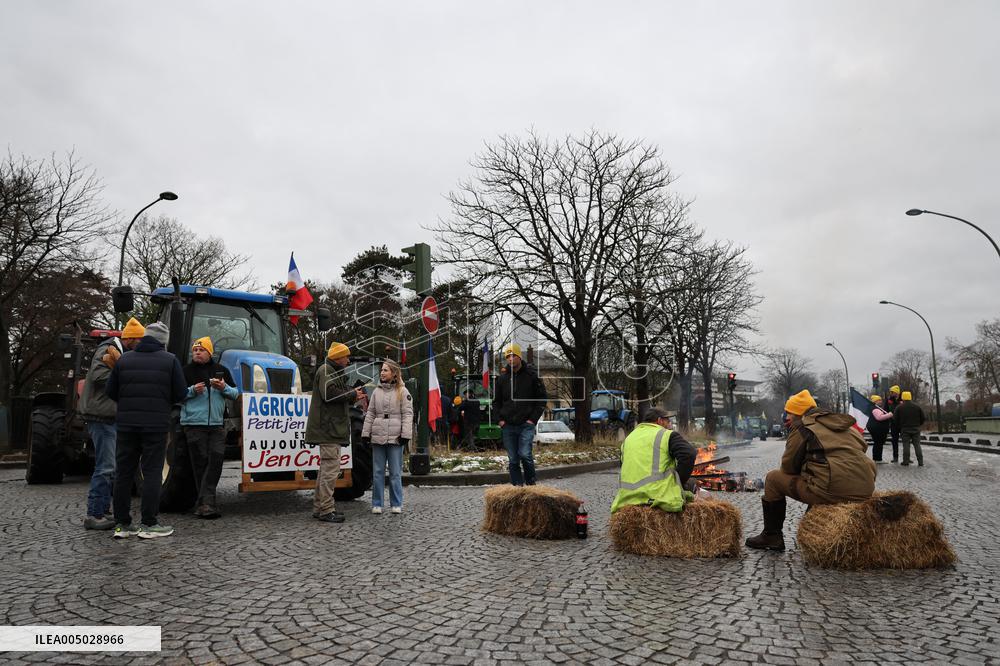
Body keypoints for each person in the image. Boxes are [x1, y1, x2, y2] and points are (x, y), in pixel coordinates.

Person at [745, 389, 876, 552]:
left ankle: (772, 536)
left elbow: (788, 467)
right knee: (819, 473)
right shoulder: (845, 426)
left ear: (798, 413)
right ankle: (811, 518)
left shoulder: (803, 427)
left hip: (832, 490)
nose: (786, 418)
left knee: (772, 479)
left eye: (789, 413)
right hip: (865, 491)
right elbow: (863, 448)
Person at [105, 321, 187, 539]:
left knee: (123, 472)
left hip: (126, 425)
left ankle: (122, 525)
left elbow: (111, 391)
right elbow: (180, 394)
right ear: (164, 341)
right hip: (156, 425)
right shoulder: (170, 361)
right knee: (151, 472)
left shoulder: (124, 360)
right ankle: (148, 524)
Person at [78, 317, 145, 530]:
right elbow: (98, 376)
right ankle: (94, 514)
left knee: (111, 467)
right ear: (131, 340)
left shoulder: (118, 351)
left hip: (108, 415)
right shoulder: (107, 349)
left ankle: (103, 511)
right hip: (102, 416)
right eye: (140, 341)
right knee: (106, 467)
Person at [180, 337, 238, 519]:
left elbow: (236, 393)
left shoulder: (221, 370)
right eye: (195, 350)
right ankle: (207, 504)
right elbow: (176, 395)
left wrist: (224, 387)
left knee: (216, 463)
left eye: (201, 350)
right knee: (201, 463)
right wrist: (191, 391)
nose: (196, 352)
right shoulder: (185, 371)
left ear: (209, 352)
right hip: (193, 425)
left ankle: (204, 503)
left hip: (217, 425)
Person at [305, 341, 361, 523]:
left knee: (325, 470)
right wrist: (352, 394)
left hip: (329, 428)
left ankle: (320, 507)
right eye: (346, 356)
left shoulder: (330, 371)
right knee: (330, 471)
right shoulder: (326, 370)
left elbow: (335, 393)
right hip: (328, 429)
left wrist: (353, 394)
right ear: (338, 357)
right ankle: (326, 510)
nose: (348, 359)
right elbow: (330, 394)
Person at [610, 407, 696, 514]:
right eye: (667, 421)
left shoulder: (628, 439)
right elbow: (689, 454)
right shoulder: (666, 435)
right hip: (658, 496)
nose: (669, 424)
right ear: (659, 420)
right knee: (691, 484)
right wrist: (679, 481)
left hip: (627, 498)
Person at [361, 360, 412, 514]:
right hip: (378, 435)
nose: (382, 373)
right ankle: (377, 503)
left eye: (385, 370)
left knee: (395, 472)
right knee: (377, 472)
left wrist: (405, 435)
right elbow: (370, 413)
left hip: (396, 437)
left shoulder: (403, 392)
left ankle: (396, 503)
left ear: (394, 373)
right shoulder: (376, 391)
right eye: (381, 370)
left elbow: (408, 414)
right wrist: (365, 433)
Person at [493, 343, 547, 486]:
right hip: (508, 425)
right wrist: (500, 420)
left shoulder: (532, 376)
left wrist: (532, 419)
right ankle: (517, 488)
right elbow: (496, 402)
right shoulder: (502, 379)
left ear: (519, 356)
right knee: (513, 459)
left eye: (513, 356)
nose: (511, 359)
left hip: (526, 424)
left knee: (525, 455)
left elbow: (541, 399)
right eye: (508, 357)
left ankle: (531, 485)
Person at [893, 391, 925, 466]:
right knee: (917, 445)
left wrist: (900, 426)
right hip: (916, 428)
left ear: (903, 398)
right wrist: (918, 425)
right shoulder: (917, 407)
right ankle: (920, 462)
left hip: (905, 429)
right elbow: (923, 418)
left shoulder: (899, 407)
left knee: (906, 445)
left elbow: (895, 419)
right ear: (910, 397)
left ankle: (906, 461)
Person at [866, 395, 894, 463]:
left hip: (876, 428)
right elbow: (879, 417)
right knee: (878, 443)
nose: (881, 401)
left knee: (877, 443)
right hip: (877, 429)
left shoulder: (874, 408)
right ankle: (877, 459)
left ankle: (877, 458)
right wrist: (889, 414)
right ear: (875, 401)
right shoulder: (875, 409)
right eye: (879, 400)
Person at [885, 385, 903, 463]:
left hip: (902, 424)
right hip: (893, 424)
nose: (891, 393)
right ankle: (895, 457)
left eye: (892, 392)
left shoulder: (903, 399)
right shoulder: (889, 400)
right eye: (890, 392)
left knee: (905, 441)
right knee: (894, 441)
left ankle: (907, 457)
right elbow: (885, 410)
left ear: (896, 392)